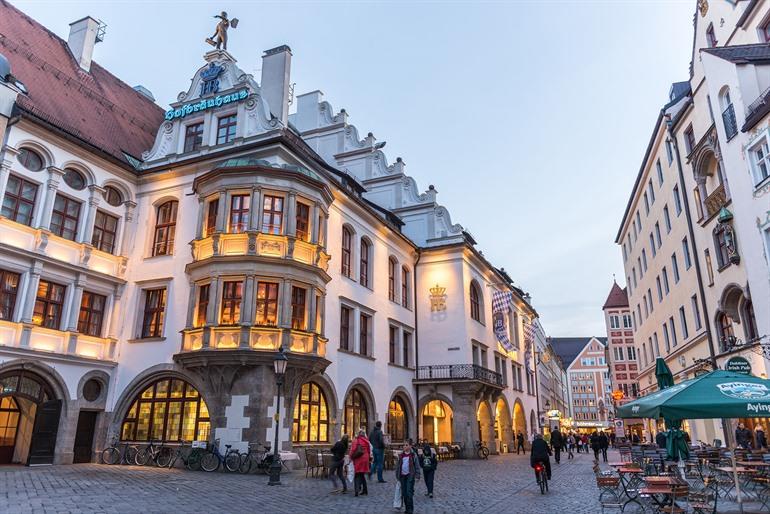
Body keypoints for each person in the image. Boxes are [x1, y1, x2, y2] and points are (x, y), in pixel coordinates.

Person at [395, 442, 421, 514]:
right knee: (404, 493)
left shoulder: (413, 455)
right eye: (404, 445)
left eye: (406, 445)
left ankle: (410, 509)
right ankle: (407, 508)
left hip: (410, 475)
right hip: (402, 476)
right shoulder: (401, 455)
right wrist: (397, 475)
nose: (404, 446)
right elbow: (398, 466)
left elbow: (417, 466)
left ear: (410, 446)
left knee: (409, 492)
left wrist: (417, 476)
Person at [349, 429, 371, 496]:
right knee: (362, 475)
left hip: (359, 459)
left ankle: (356, 491)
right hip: (366, 458)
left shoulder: (356, 441)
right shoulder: (367, 441)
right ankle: (365, 490)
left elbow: (352, 450)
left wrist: (350, 458)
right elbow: (369, 450)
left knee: (357, 474)